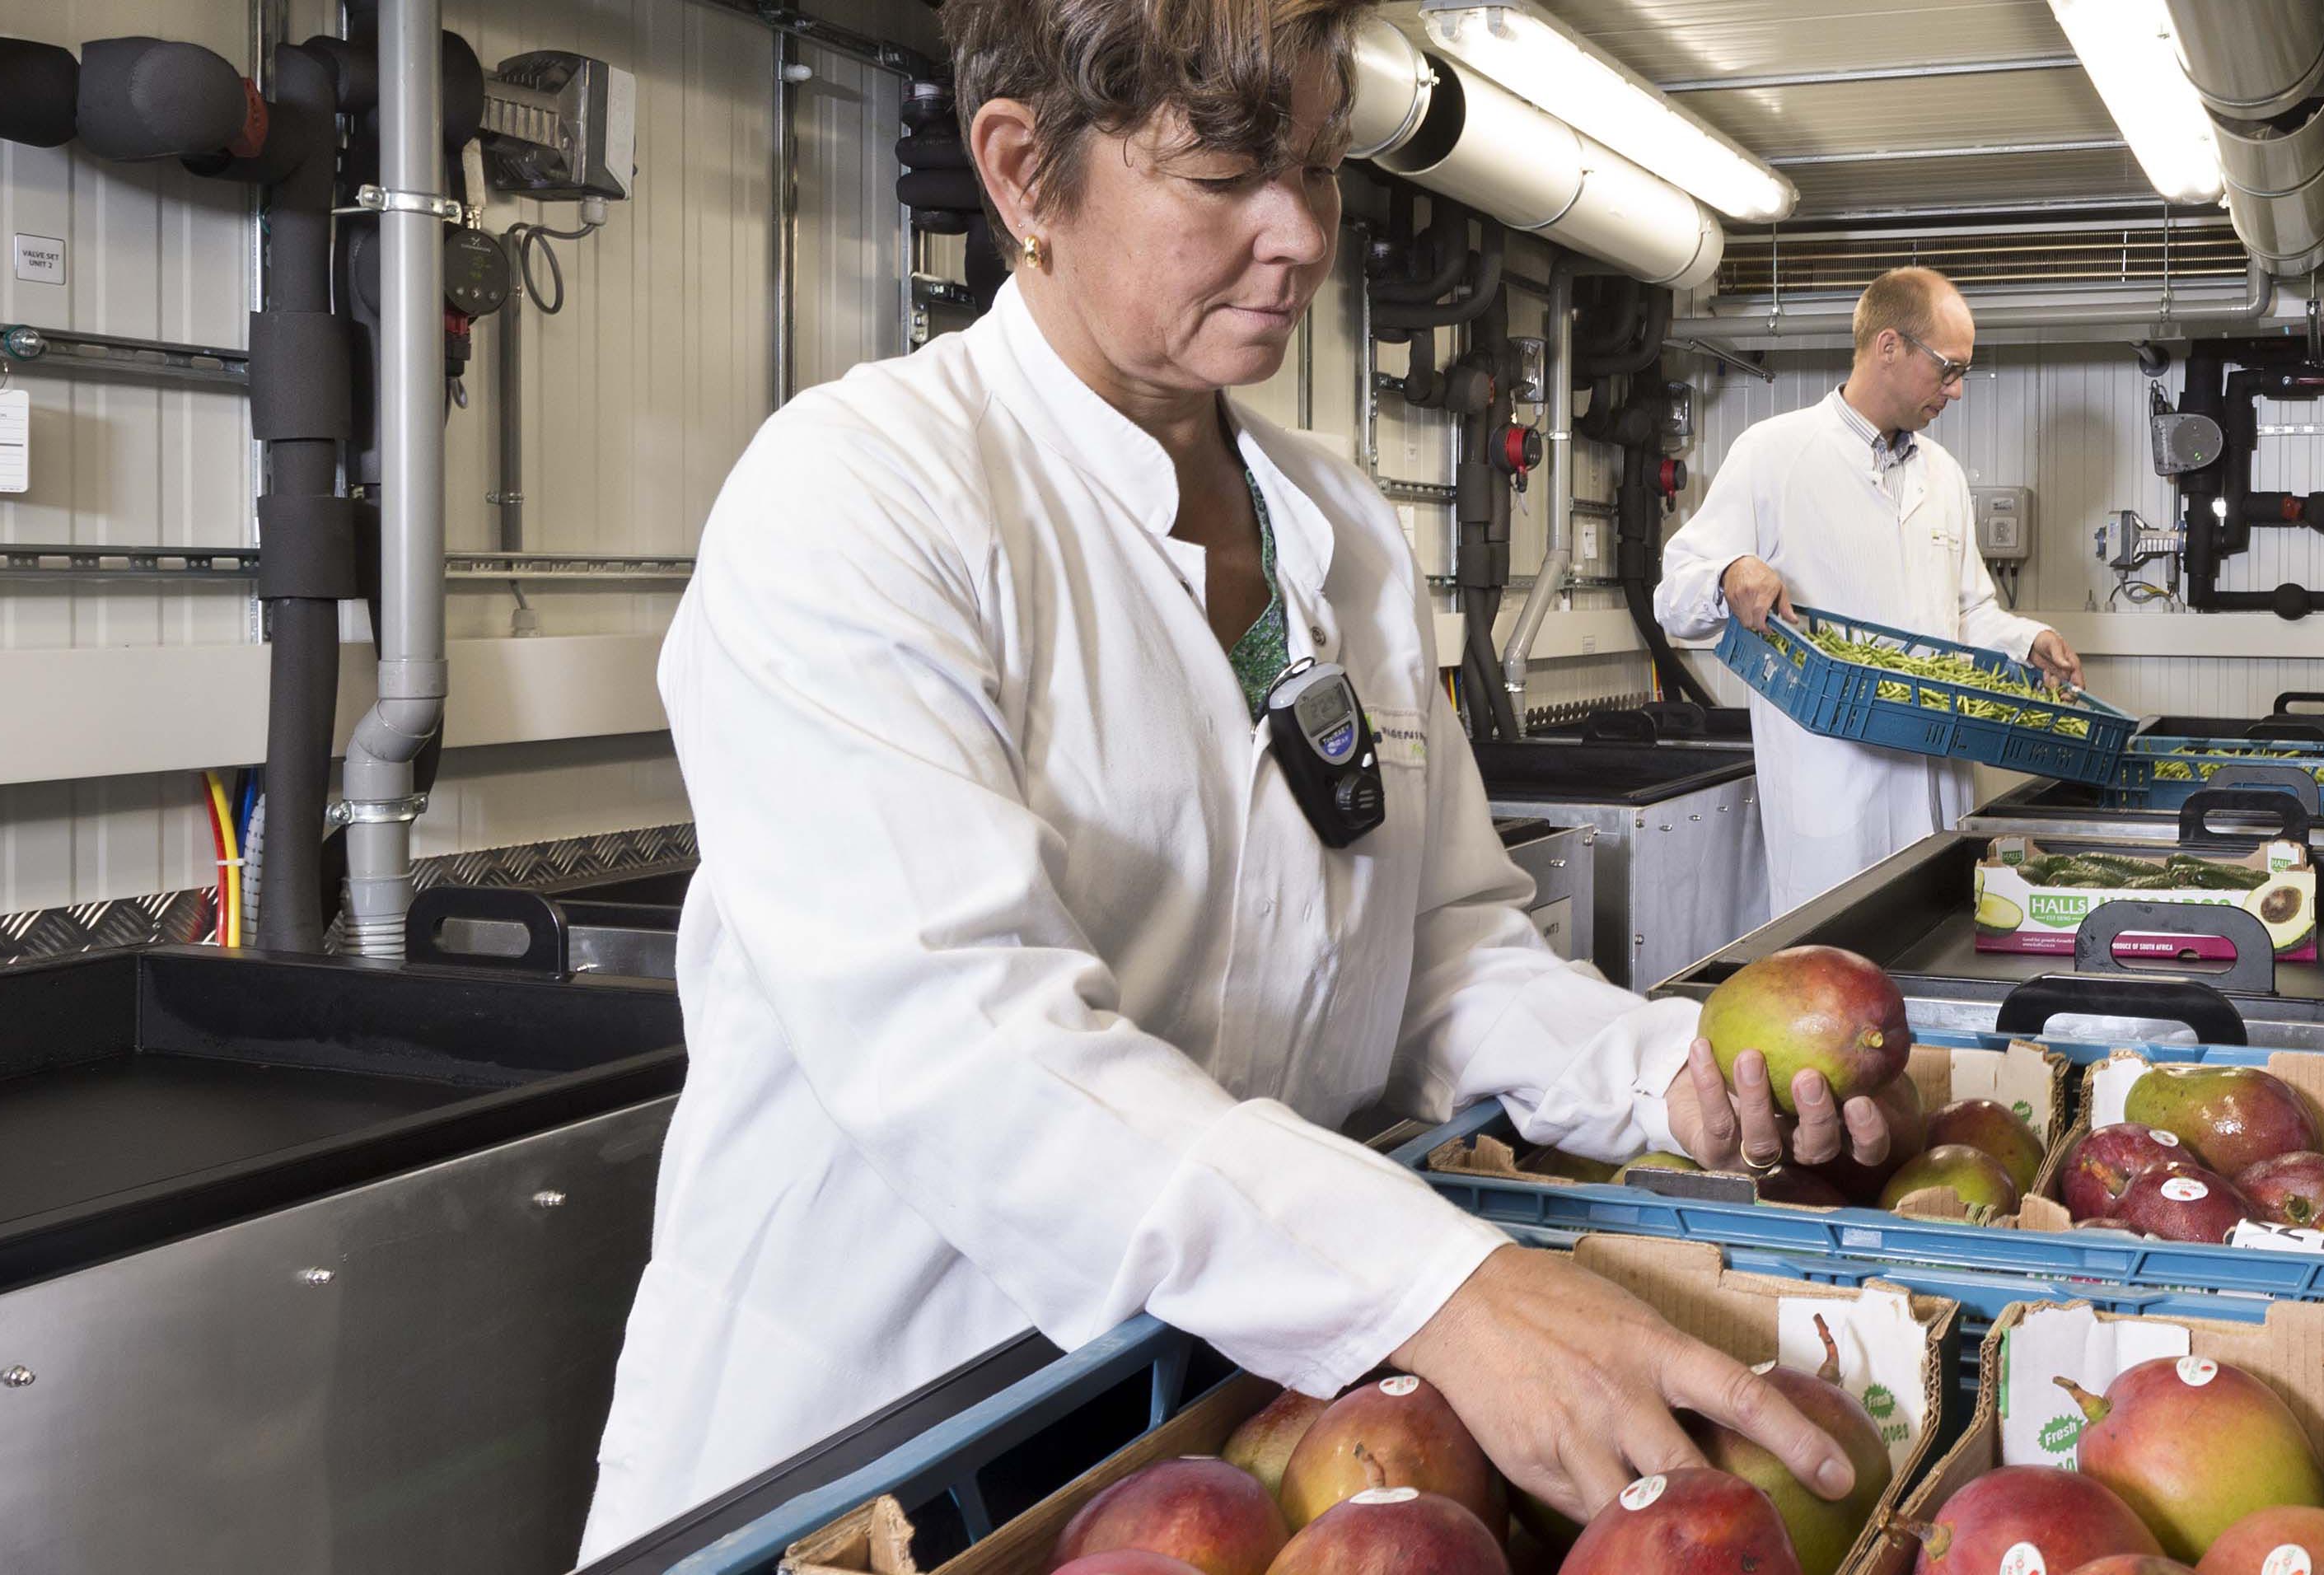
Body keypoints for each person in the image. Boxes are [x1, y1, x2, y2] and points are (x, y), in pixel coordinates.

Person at [577, 0, 1892, 1556]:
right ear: (1021, 173)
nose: (1299, 238)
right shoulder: (862, 499)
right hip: (882, 1441)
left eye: (1322, 171)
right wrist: (1437, 1283)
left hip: (1214, 1419)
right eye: (1222, 176)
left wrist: (1659, 1075)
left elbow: (1441, 949)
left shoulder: (1330, 527)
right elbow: (967, 1041)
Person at [1654, 269, 2084, 914]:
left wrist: (2029, 640)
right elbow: (1675, 595)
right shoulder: (1773, 453)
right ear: (1889, 346)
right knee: (1830, 986)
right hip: (1831, 799)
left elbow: (1968, 614)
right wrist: (1728, 575)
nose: (1958, 390)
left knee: (1933, 956)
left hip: (1937, 791)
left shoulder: (1942, 476)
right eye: (1947, 369)